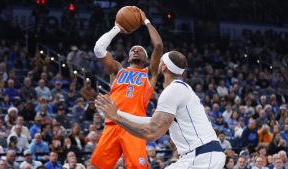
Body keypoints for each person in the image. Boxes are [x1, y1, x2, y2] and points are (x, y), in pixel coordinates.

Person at [95, 51, 225, 168]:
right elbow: (151, 120)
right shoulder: (179, 89)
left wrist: (117, 118)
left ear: (164, 67)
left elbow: (151, 132)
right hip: (198, 156)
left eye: (160, 62)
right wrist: (116, 114)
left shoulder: (173, 90)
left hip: (203, 157)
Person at [91, 6, 163, 169]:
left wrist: (146, 21)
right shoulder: (117, 70)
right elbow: (98, 49)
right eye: (133, 49)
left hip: (134, 126)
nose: (136, 50)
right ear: (128, 56)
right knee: (98, 166)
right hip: (112, 124)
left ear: (146, 59)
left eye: (140, 50)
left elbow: (158, 46)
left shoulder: (149, 73)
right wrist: (117, 28)